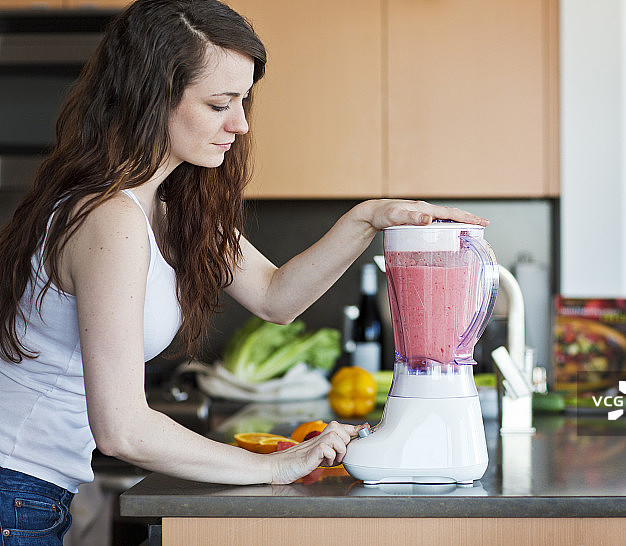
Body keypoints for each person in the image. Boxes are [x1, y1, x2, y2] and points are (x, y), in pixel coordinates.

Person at [0, 0, 488, 543]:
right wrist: (275, 466)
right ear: (150, 98)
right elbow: (123, 430)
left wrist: (368, 218)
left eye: (243, 99)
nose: (240, 123)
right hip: (14, 487)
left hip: (30, 490)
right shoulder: (110, 218)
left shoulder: (166, 208)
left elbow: (277, 298)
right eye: (218, 103)